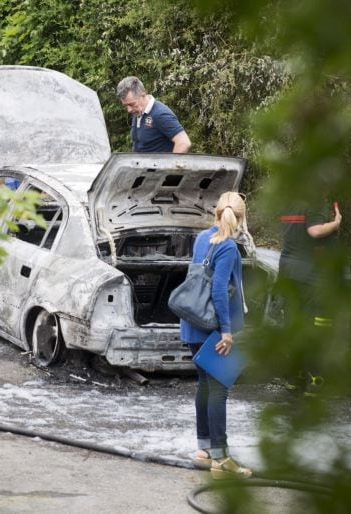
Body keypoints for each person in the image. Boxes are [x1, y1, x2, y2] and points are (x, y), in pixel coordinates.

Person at [180, 191, 251, 479]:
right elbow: (219, 290)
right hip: (215, 329)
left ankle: (204, 449)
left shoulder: (201, 239)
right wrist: (226, 331)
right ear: (242, 218)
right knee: (219, 388)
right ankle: (221, 459)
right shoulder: (228, 247)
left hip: (193, 324)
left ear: (216, 213)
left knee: (204, 386)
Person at [277, 198, 342, 392]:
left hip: (288, 272)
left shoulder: (287, 203)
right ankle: (315, 377)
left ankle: (293, 376)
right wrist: (335, 223)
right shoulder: (315, 203)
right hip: (311, 277)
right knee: (316, 326)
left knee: (292, 324)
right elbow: (315, 231)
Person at [116, 76, 191, 153]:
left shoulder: (161, 114)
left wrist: (170, 164)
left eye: (132, 104)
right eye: (126, 106)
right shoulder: (138, 111)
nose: (129, 110)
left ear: (143, 95)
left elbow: (183, 142)